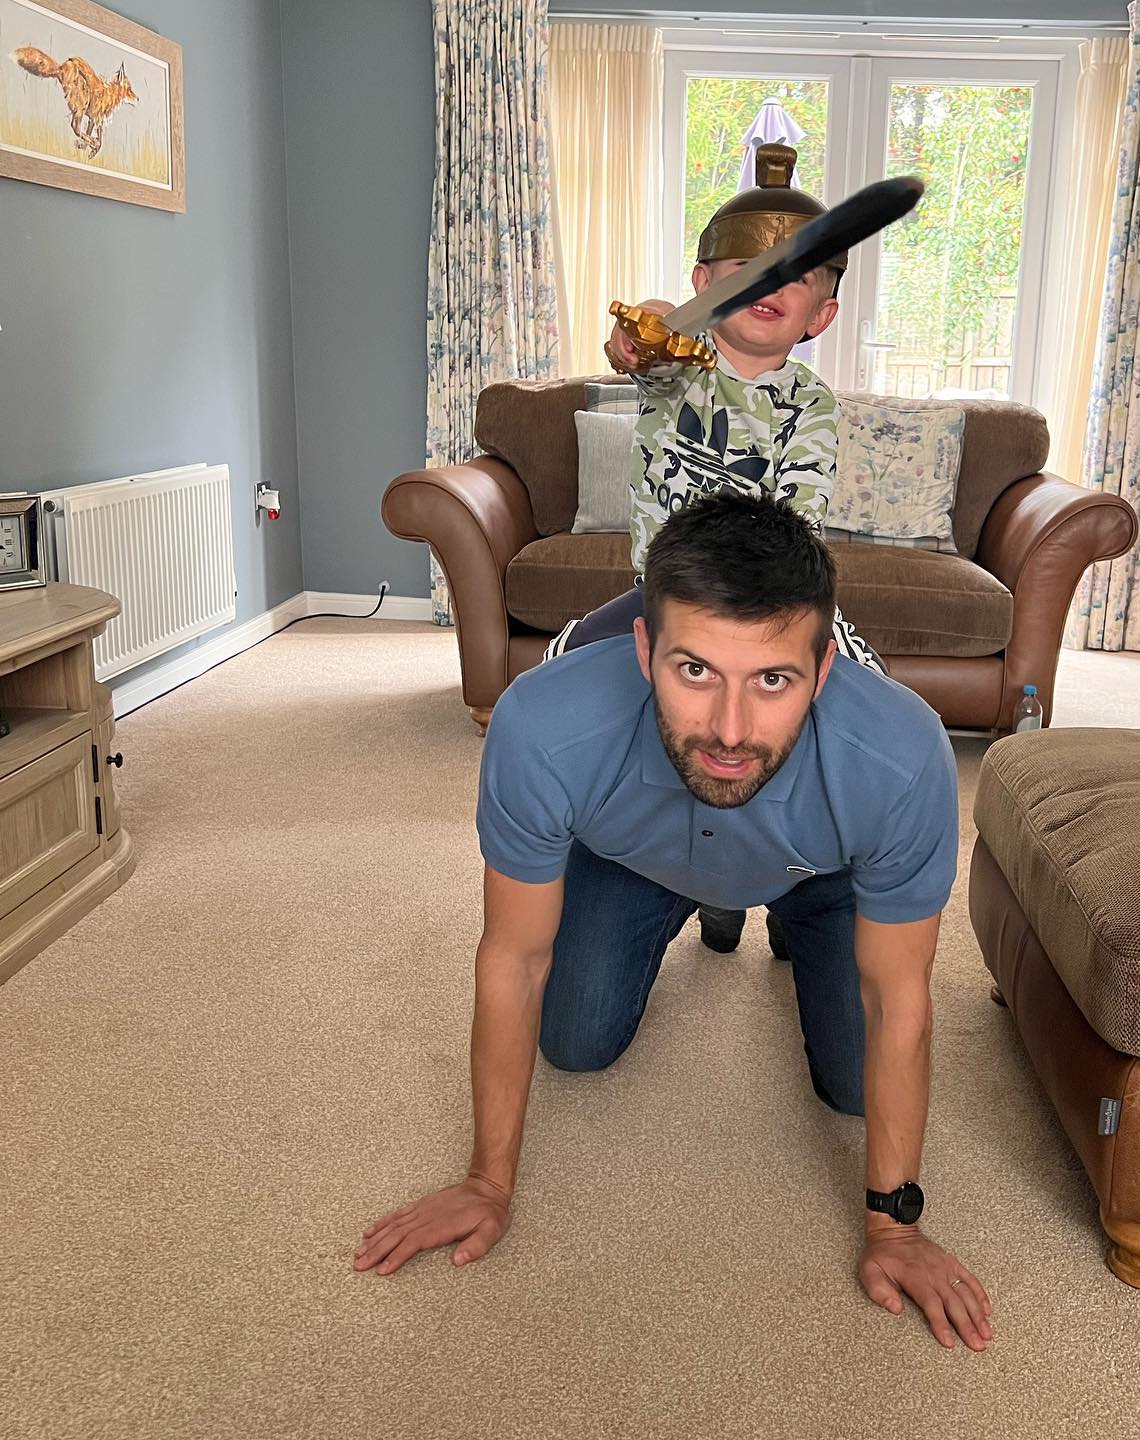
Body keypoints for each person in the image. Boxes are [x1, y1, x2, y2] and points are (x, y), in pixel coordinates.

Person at [355, 495, 993, 1354]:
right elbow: (513, 959)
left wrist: (894, 1228)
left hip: (821, 871)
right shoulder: (541, 726)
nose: (730, 729)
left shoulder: (901, 753)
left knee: (854, 1085)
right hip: (638, 855)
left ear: (825, 671)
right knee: (573, 1040)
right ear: (645, 649)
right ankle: (709, 895)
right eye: (695, 672)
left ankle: (771, 909)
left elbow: (899, 1001)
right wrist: (485, 1183)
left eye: (773, 680)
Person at [549, 141, 883, 955]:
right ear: (709, 287)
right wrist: (642, 338)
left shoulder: (813, 405)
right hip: (666, 601)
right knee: (567, 676)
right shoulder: (682, 368)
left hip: (773, 606)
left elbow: (797, 521)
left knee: (863, 700)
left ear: (822, 315)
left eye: (797, 277)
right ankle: (659, 864)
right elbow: (643, 350)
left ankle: (796, 873)